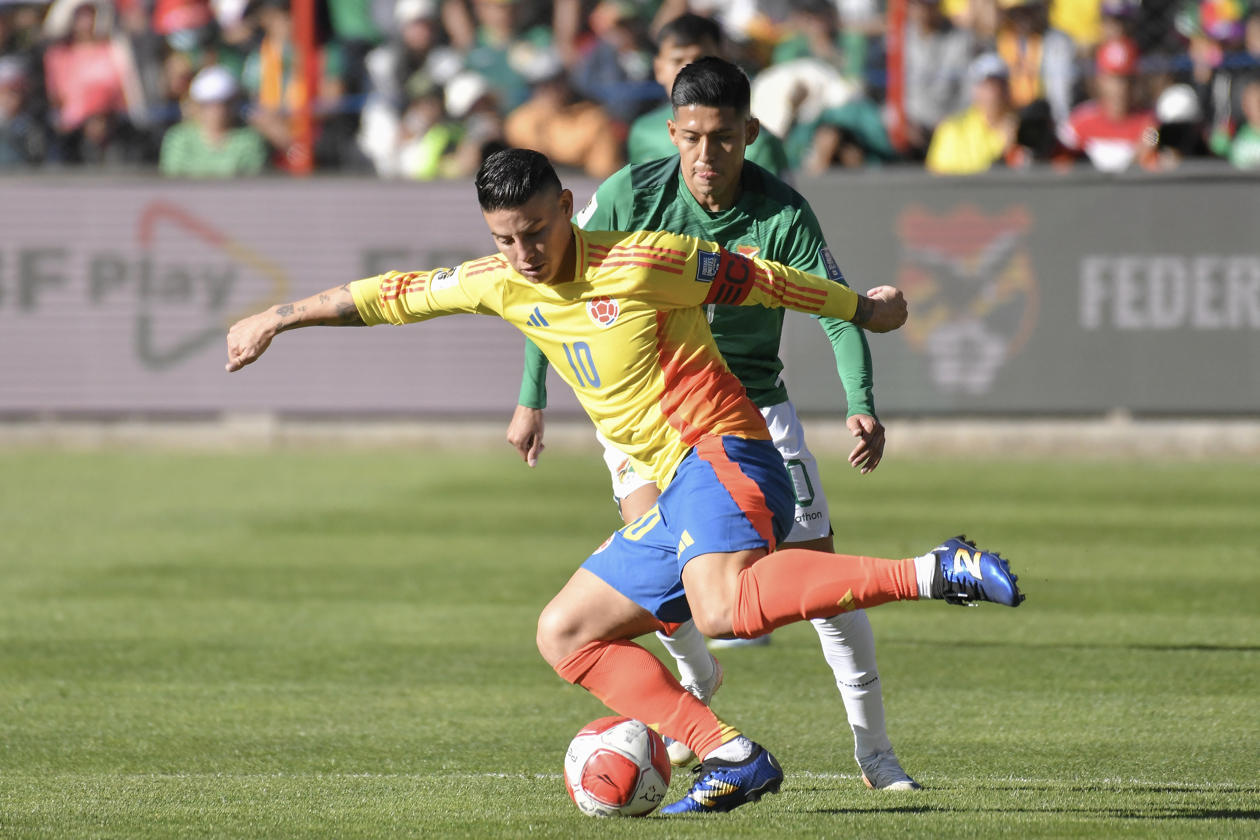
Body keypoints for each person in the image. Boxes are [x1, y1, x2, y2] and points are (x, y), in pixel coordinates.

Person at [225, 148, 1024, 815]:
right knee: (564, 633)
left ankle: (935, 570)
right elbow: (386, 295)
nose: (524, 253)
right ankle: (730, 753)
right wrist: (276, 317)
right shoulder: (499, 281)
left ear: (568, 206)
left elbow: (768, 278)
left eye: (536, 230)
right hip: (672, 489)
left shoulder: (648, 262)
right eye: (505, 239)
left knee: (722, 609)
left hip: (726, 451)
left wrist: (865, 311)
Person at [508, 56, 917, 790]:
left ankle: (876, 752)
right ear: (671, 132)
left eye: (723, 138)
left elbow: (836, 305)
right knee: (658, 584)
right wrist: (531, 395)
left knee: (821, 581)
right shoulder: (632, 192)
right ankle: (696, 695)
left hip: (751, 412)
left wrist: (861, 403)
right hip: (654, 415)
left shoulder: (781, 212)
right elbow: (549, 293)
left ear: (750, 133)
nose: (706, 155)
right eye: (692, 138)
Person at [625, 14, 789, 176]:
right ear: (659, 69)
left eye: (701, 59)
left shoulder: (758, 145)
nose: (688, 71)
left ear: (724, 62)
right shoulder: (644, 133)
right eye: (677, 60)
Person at [1057, 37, 1157, 171]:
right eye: (1113, 78)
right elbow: (1059, 166)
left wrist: (1147, 152)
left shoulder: (1150, 125)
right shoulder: (1079, 123)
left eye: (1127, 78)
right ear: (1100, 80)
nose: (1121, 87)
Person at [159, 64, 267, 176]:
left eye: (224, 103)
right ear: (196, 106)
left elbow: (251, 184)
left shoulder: (249, 141)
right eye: (208, 104)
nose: (217, 110)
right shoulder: (179, 139)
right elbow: (172, 180)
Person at [926, 53, 1020, 174]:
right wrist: (1001, 148)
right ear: (975, 90)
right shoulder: (952, 129)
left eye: (1000, 85)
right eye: (986, 85)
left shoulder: (1022, 126)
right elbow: (937, 174)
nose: (994, 92)